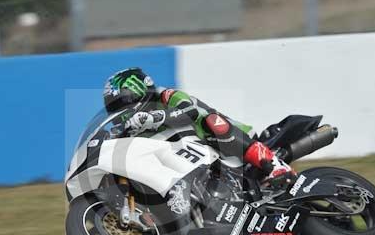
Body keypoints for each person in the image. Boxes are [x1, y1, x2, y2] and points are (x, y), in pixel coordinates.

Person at [103, 67, 296, 188]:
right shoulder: (136, 127)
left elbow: (189, 111)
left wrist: (155, 116)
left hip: (226, 143)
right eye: (114, 108)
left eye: (122, 103)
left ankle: (275, 165)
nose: (120, 111)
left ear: (137, 92)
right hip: (198, 163)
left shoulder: (166, 96)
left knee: (211, 121)